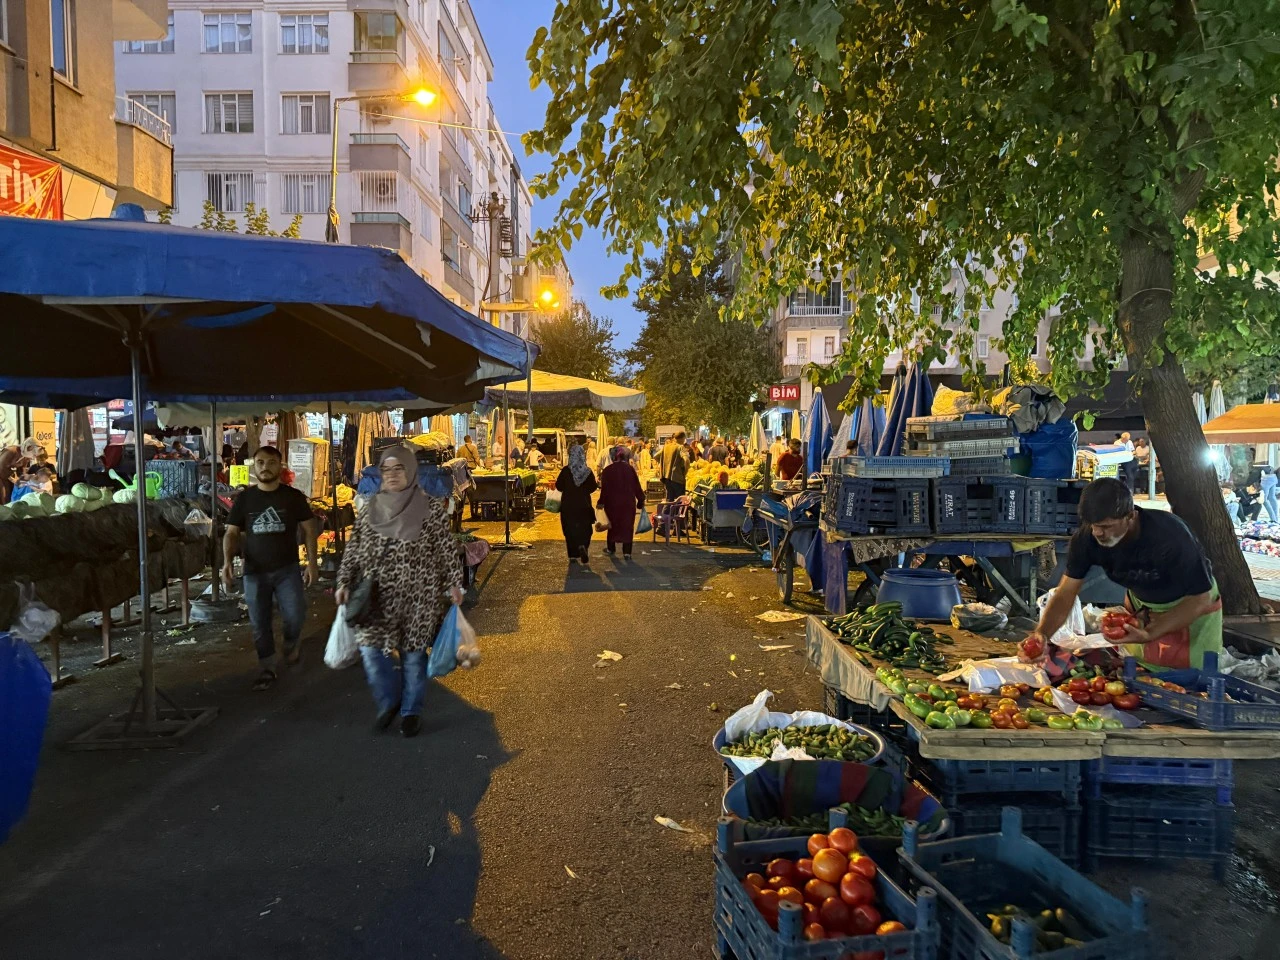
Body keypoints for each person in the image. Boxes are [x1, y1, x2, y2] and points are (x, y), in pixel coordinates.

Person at [1024, 478, 1222, 671]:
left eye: (1106, 526)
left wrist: (1150, 632)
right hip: (1142, 607)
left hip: (1190, 604)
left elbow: (1200, 598)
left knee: (1193, 678)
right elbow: (1066, 592)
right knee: (1141, 673)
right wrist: (1042, 634)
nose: (1097, 533)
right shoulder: (1086, 539)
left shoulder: (1170, 536)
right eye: (1092, 525)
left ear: (1131, 516)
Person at [334, 444, 463, 737]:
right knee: (371, 651)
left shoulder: (430, 508)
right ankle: (389, 700)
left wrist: (454, 582)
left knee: (413, 656)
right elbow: (354, 549)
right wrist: (343, 582)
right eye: (386, 469)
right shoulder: (371, 508)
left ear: (411, 471)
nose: (392, 474)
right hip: (376, 595)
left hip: (419, 596)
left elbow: (445, 549)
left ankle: (411, 711)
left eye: (399, 468)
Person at [222, 446, 320, 690]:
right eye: (260, 462)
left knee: (295, 614)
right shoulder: (245, 499)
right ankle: (267, 667)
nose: (265, 467)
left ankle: (290, 641)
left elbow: (309, 530)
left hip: (288, 569)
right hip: (254, 571)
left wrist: (312, 564)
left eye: (271, 462)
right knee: (259, 622)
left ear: (280, 466)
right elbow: (231, 533)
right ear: (254, 466)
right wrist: (227, 562)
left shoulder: (293, 497)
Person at [599, 445, 646, 558]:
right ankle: (627, 552)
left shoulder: (607, 471)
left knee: (612, 526)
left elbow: (604, 489)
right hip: (627, 504)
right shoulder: (630, 469)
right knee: (627, 526)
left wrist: (601, 502)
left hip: (612, 504)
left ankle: (611, 548)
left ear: (612, 456)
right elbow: (636, 486)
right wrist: (641, 500)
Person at [555, 445, 598, 564]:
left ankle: (573, 555)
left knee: (569, 528)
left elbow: (559, 486)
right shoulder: (587, 471)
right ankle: (583, 545)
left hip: (568, 505)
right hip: (584, 504)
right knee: (585, 528)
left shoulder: (565, 471)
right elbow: (593, 487)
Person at [660, 430, 689, 502]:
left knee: (669, 501)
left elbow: (655, 456)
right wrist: (685, 472)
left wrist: (666, 464)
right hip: (677, 479)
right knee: (679, 502)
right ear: (682, 438)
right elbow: (686, 460)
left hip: (666, 478)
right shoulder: (680, 447)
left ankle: (665, 510)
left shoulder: (666, 447)